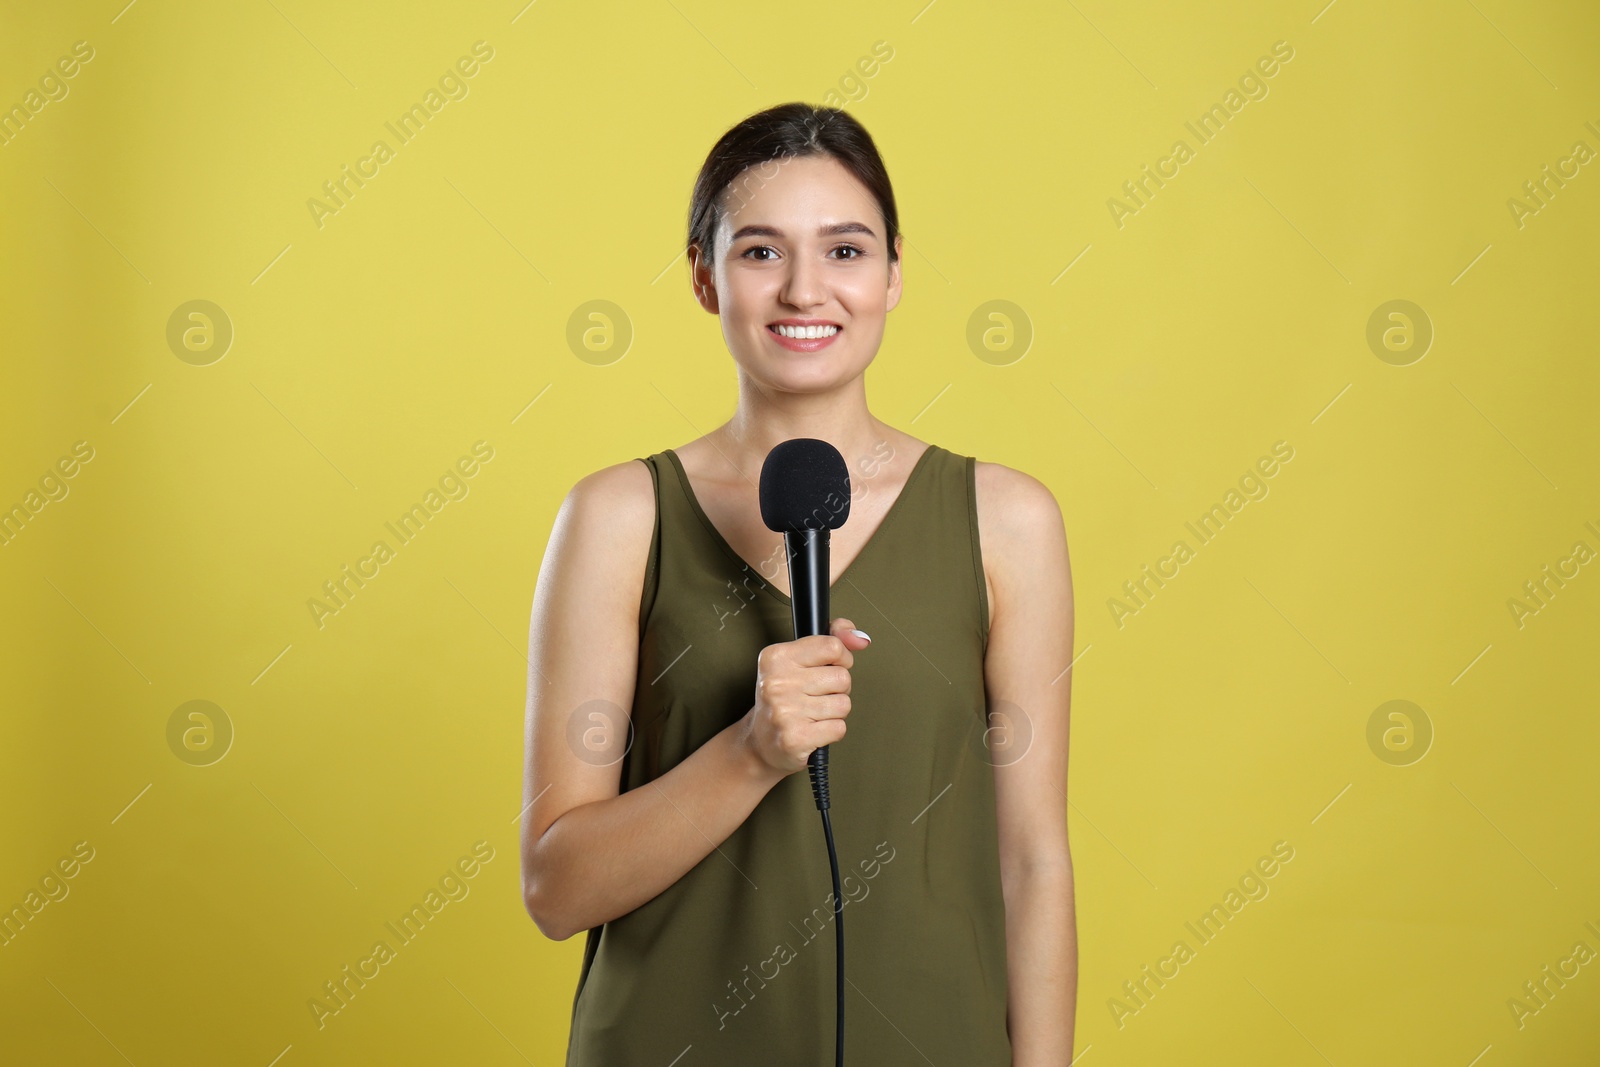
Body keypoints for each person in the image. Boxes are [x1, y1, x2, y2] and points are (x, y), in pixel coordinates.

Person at [520, 102, 1076, 1065]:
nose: (805, 291)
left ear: (895, 272)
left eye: (847, 251)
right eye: (762, 252)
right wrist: (751, 749)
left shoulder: (1008, 520)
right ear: (704, 275)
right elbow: (557, 888)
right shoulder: (618, 518)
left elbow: (1032, 862)